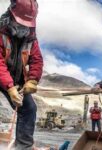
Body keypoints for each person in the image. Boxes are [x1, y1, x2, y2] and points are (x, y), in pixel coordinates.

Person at [0, 0, 43, 149]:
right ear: (11, 14)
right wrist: (10, 87)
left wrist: (32, 80)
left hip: (15, 77)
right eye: (21, 22)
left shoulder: (31, 38)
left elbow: (37, 60)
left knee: (29, 108)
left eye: (27, 24)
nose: (24, 27)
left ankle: (23, 147)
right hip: (2, 74)